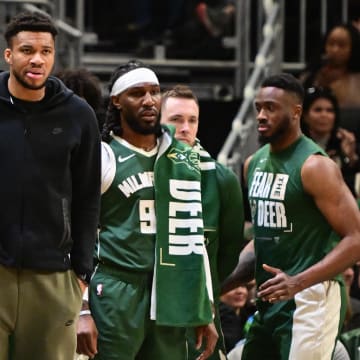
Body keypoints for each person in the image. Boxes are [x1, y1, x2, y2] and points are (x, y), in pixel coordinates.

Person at [76, 60, 218, 360]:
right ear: (117, 101)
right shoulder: (103, 156)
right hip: (117, 286)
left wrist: (205, 307)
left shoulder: (182, 158)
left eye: (154, 92)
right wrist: (83, 307)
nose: (149, 100)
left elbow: (193, 236)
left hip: (171, 286)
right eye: (137, 93)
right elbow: (77, 234)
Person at [221, 73, 360, 359]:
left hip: (311, 298)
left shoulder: (316, 167)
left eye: (271, 108)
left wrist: (298, 281)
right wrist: (219, 285)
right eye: (258, 107)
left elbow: (356, 238)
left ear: (296, 112)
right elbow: (263, 241)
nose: (261, 115)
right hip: (270, 298)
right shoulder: (253, 165)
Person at [0, 11, 101, 360]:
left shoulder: (78, 115)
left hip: (53, 276)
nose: (37, 60)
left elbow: (88, 198)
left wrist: (83, 272)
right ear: (9, 55)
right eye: (27, 50)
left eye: (46, 51)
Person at [160, 84, 244, 359]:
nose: (185, 128)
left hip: (202, 306)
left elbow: (228, 254)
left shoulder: (223, 180)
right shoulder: (145, 171)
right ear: (158, 123)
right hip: (149, 307)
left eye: (192, 120)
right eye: (175, 120)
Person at [301, 86, 360, 196]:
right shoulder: (297, 144)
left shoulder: (345, 142)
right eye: (318, 110)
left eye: (330, 110)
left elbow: (351, 185)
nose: (324, 115)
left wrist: (351, 158)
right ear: (305, 116)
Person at [299, 23, 360, 108]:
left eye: (341, 45)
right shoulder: (312, 75)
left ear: (353, 48)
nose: (335, 50)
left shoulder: (357, 78)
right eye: (331, 44)